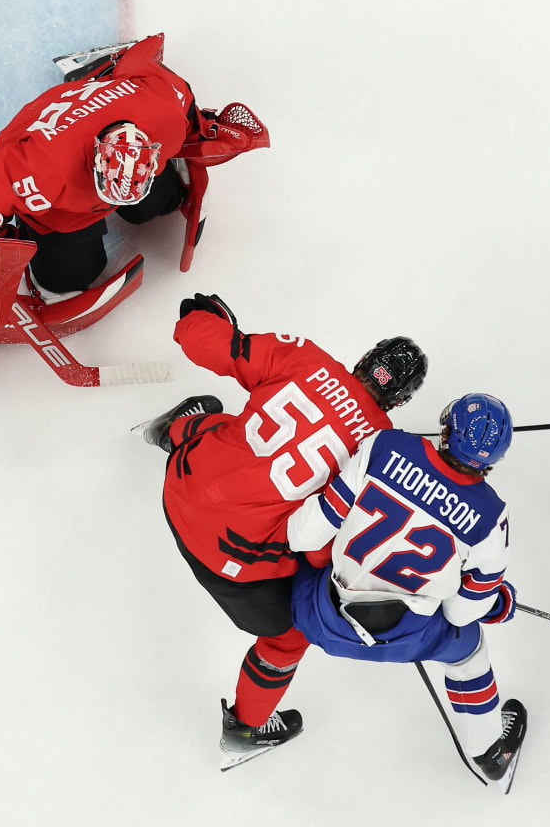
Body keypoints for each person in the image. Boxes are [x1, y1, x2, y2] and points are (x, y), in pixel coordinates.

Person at [138, 292, 428, 770]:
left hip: (181, 486)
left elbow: (205, 342)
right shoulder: (379, 452)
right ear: (400, 400)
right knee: (288, 638)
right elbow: (319, 548)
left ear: (363, 359)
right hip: (228, 559)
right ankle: (245, 730)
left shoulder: (305, 358)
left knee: (230, 427)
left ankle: (173, 430)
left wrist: (200, 319)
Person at [0, 34, 268, 387]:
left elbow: (149, 69)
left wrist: (125, 67)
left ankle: (105, 76)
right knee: (72, 277)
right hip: (55, 173)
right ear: (98, 160)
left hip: (115, 143)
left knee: (158, 203)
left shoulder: (166, 113)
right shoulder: (42, 170)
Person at [279, 393, 529, 788]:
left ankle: (252, 710)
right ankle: (489, 753)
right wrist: (494, 601)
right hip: (408, 637)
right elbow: (461, 612)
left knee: (288, 588)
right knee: (470, 655)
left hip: (321, 617)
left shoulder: (386, 445)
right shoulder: (491, 515)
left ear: (447, 432)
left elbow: (303, 534)